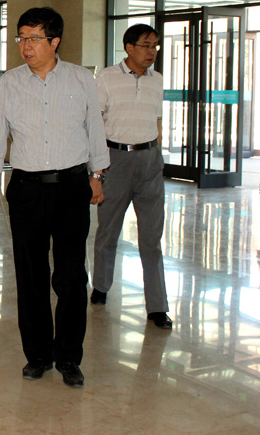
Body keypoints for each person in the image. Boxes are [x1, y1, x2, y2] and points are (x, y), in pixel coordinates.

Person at [0, 7, 109, 388]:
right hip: (26, 189)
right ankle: (37, 355)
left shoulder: (81, 79)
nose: (26, 46)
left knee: (71, 276)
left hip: (72, 187)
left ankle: (69, 356)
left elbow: (95, 128)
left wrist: (97, 176)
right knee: (30, 274)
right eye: (22, 38)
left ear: (54, 41)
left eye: (34, 38)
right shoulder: (10, 82)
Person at [91, 24, 172, 329]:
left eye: (155, 46)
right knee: (108, 231)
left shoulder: (157, 80)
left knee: (151, 238)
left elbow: (157, 121)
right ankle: (101, 286)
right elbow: (95, 125)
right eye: (146, 45)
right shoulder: (106, 78)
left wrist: (157, 155)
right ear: (129, 47)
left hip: (149, 161)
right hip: (116, 160)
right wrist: (97, 170)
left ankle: (157, 306)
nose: (151, 51)